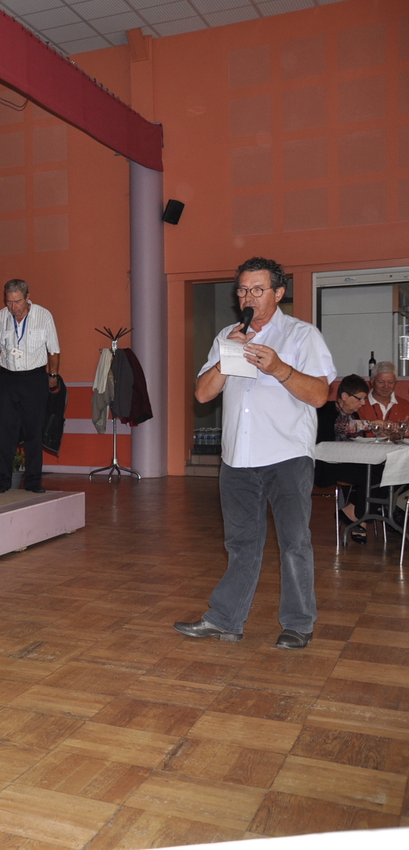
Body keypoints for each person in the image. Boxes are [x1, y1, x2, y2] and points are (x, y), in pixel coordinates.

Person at [176, 256, 336, 650]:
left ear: (278, 293)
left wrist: (279, 368)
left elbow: (319, 395)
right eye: (243, 290)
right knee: (240, 544)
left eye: (257, 290)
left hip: (286, 454)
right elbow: (202, 394)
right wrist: (228, 357)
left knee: (294, 543)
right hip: (238, 459)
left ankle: (298, 624)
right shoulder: (227, 335)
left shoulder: (302, 335)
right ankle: (226, 620)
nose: (247, 297)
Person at [0, 278, 60, 494]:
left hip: (34, 378)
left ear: (27, 298)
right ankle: (3, 481)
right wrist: (7, 367)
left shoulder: (44, 316)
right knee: (5, 432)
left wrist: (52, 375)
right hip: (8, 379)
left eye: (18, 302)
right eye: (9, 302)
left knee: (34, 432)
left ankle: (33, 481)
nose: (13, 307)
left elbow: (53, 350)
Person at [316, 374, 372, 543]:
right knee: (369, 475)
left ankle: (353, 511)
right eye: (360, 399)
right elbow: (335, 432)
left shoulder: (354, 416)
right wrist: (372, 425)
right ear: (345, 396)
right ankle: (359, 516)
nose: (363, 403)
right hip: (327, 464)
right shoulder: (325, 410)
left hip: (351, 462)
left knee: (381, 470)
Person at [359, 361, 407, 425]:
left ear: (395, 383)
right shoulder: (359, 405)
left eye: (390, 382)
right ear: (372, 382)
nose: (386, 386)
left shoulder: (405, 406)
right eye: (381, 382)